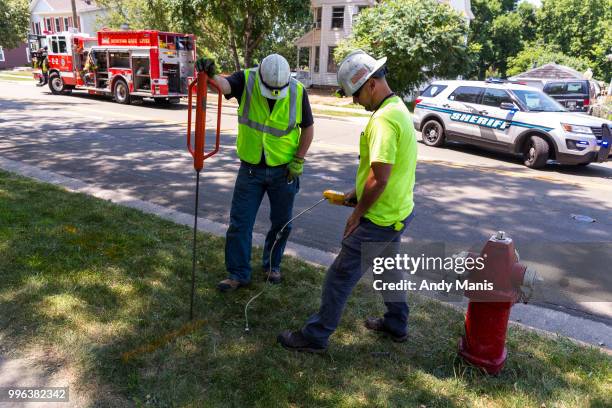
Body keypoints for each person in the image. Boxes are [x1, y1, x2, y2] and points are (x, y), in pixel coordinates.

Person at [277, 50, 418, 353]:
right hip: (398, 212)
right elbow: (383, 172)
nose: (355, 101)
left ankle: (314, 337)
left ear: (371, 84)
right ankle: (397, 322)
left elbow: (379, 178)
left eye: (355, 94)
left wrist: (358, 214)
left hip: (379, 218)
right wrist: (355, 193)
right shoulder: (397, 108)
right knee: (388, 270)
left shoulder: (383, 120)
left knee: (339, 276)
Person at [195, 54, 314, 292]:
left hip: (284, 171)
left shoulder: (297, 91)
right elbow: (225, 85)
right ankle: (238, 273)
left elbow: (308, 128)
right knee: (240, 223)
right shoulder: (247, 79)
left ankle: (272, 265)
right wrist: (210, 74)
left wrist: (298, 160)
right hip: (250, 169)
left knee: (282, 224)